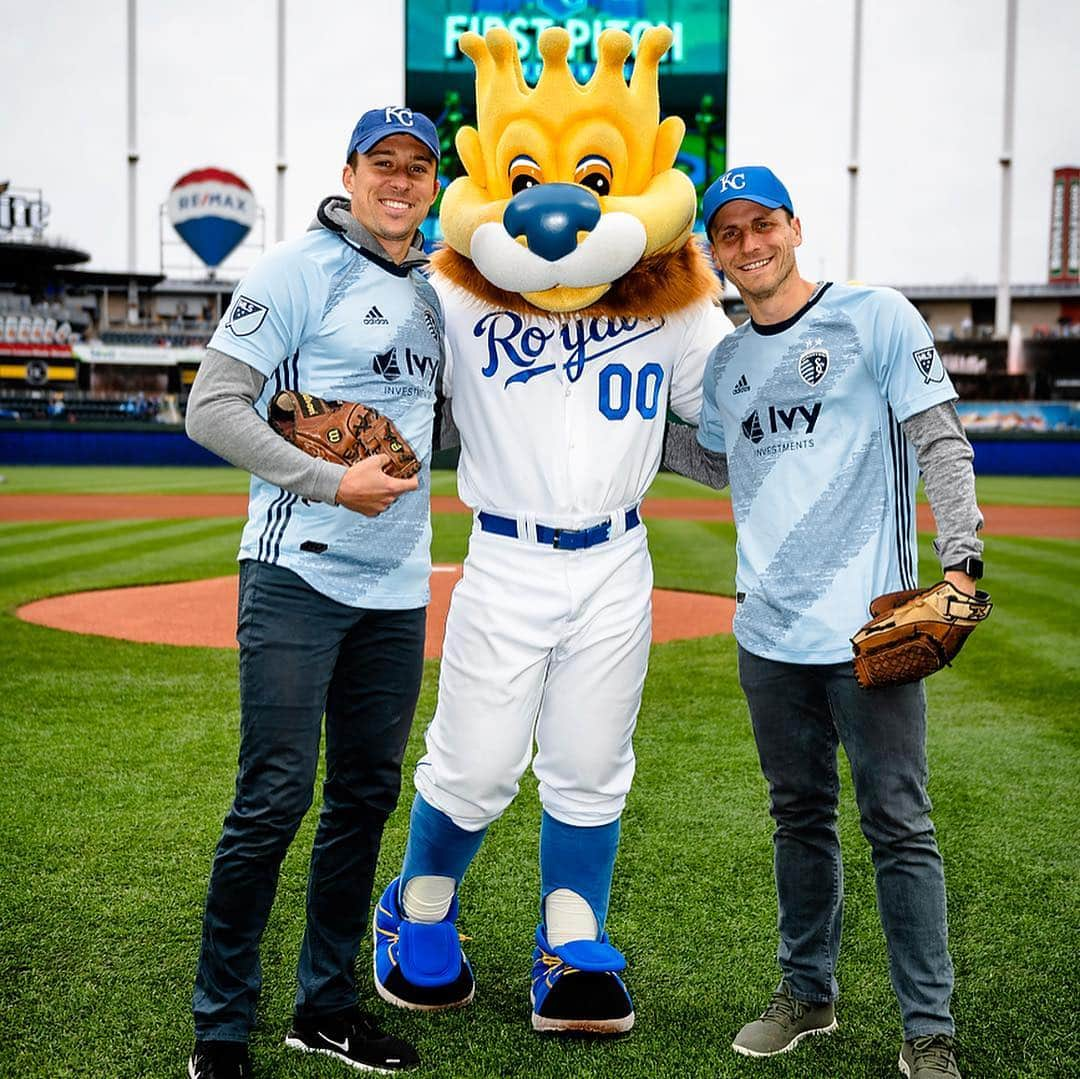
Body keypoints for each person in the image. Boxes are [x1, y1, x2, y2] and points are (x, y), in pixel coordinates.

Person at [370, 25, 735, 1037]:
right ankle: (416, 907)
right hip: (507, 549)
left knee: (589, 754)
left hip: (617, 554)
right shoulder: (452, 287)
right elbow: (386, 372)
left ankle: (571, 935)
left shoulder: (677, 298)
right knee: (476, 762)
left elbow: (734, 408)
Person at [695, 165, 984, 1079]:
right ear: (714, 252)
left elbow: (940, 438)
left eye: (762, 224)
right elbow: (717, 464)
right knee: (798, 817)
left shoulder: (876, 316)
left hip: (872, 631)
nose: (750, 244)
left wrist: (961, 558)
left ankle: (927, 1027)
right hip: (767, 634)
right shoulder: (727, 362)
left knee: (899, 821)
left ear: (794, 225)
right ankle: (807, 992)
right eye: (730, 233)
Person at [183, 106, 443, 1079]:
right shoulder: (299, 269)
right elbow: (210, 406)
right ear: (352, 171)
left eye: (419, 167)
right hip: (298, 570)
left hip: (398, 584)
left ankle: (325, 1007)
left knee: (365, 795)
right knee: (275, 795)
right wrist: (335, 478)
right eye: (386, 164)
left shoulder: (431, 293)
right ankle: (220, 1023)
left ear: (432, 184)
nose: (402, 181)